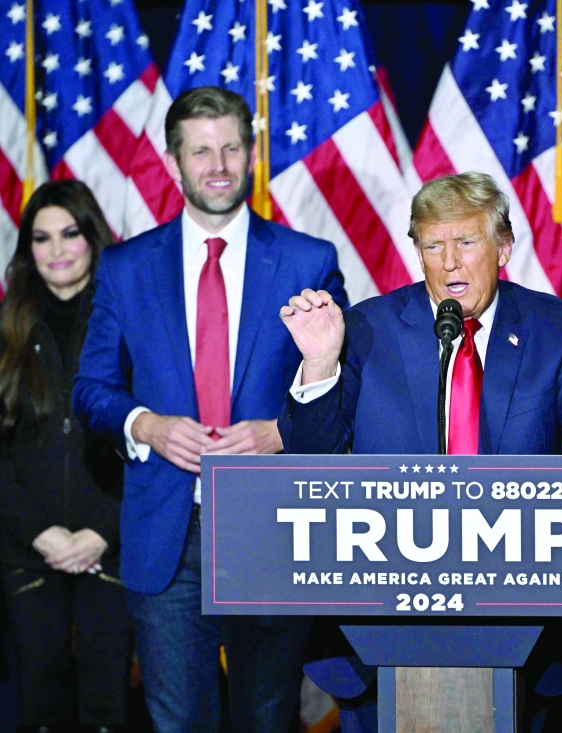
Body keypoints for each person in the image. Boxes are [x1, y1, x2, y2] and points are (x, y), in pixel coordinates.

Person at [278, 171, 562, 732]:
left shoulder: (553, 329)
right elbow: (308, 456)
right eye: (432, 246)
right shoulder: (364, 328)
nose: (448, 262)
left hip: (525, 626)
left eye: (466, 242)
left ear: (504, 247)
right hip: (379, 630)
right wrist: (321, 364)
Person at [73, 85, 349, 733]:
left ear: (251, 154)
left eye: (230, 147)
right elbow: (91, 389)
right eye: (200, 151)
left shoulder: (310, 260)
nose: (218, 164)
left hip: (274, 532)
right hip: (167, 535)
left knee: (267, 717)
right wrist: (148, 424)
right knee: (180, 723)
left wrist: (279, 432)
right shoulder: (125, 268)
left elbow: (345, 390)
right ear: (173, 163)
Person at [0, 180, 129, 732]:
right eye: (41, 237)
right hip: (27, 549)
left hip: (113, 543)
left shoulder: (129, 322)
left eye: (70, 234)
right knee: (39, 706)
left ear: (92, 237)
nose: (56, 250)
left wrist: (102, 531)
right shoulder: (6, 329)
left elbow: (146, 438)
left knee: (109, 708)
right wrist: (41, 534)